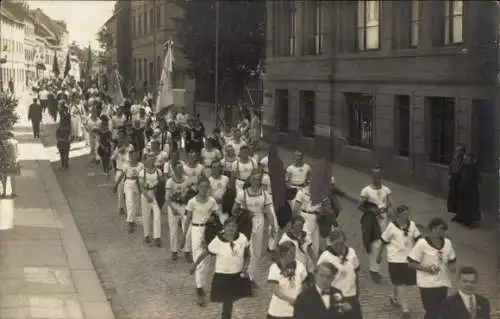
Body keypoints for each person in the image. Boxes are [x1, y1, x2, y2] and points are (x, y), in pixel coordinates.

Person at [190, 218, 252, 319]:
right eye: (228, 226)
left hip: (236, 275)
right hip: (223, 276)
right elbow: (205, 252)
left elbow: (247, 255)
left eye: (233, 226)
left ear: (236, 228)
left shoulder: (242, 238)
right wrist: (195, 265)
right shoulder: (218, 241)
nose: (231, 229)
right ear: (224, 228)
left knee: (230, 300)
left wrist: (245, 268)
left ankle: (227, 315)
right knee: (228, 300)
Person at [232, 172, 276, 291]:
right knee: (246, 250)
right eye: (254, 179)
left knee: (257, 252)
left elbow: (269, 212)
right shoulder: (243, 194)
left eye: (258, 179)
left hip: (260, 220)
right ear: (250, 180)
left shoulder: (265, 194)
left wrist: (272, 227)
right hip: (247, 222)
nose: (257, 181)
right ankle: (239, 276)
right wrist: (244, 212)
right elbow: (234, 211)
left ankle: (250, 277)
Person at [407, 217, 457, 319]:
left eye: (442, 229)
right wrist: (426, 269)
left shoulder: (447, 243)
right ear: (432, 229)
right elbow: (411, 263)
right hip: (427, 283)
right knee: (432, 310)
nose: (440, 232)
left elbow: (452, 260)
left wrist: (452, 268)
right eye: (437, 229)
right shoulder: (422, 243)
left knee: (440, 309)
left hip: (442, 282)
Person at [182, 176, 219, 306]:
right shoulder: (192, 202)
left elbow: (217, 216)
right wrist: (184, 235)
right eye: (201, 186)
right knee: (199, 257)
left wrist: (213, 221)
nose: (204, 189)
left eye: (206, 186)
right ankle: (199, 288)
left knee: (207, 260)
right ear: (197, 187)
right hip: (196, 230)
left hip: (208, 231)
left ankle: (201, 284)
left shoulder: (212, 201)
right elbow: (187, 219)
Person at [379, 205, 420, 318]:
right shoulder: (391, 227)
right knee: (400, 282)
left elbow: (419, 239)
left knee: (401, 282)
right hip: (395, 259)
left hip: (408, 259)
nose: (406, 216)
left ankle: (393, 297)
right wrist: (379, 255)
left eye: (408, 213)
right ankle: (405, 308)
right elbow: (383, 240)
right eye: (404, 214)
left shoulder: (412, 225)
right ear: (398, 215)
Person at [317, 230, 362, 319]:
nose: (339, 247)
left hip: (351, 295)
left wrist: (357, 290)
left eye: (341, 243)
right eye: (336, 244)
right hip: (335, 298)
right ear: (331, 243)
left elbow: (355, 271)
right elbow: (319, 278)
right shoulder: (326, 257)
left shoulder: (351, 252)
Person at [359, 166, 393, 283]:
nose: (376, 177)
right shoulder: (366, 191)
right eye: (374, 175)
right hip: (372, 222)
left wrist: (388, 210)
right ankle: (373, 270)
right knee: (374, 244)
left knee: (381, 244)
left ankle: (375, 268)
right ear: (372, 176)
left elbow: (390, 204)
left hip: (383, 220)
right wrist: (372, 210)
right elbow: (360, 206)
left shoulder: (386, 190)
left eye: (378, 175)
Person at [266, 241, 309, 319]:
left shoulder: (300, 266)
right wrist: (290, 300)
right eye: (291, 253)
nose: (294, 255)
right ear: (283, 254)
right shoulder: (274, 268)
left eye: (294, 252)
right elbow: (275, 290)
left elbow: (305, 285)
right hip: (278, 311)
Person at [163, 162, 190, 261]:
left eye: (181, 168)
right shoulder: (170, 181)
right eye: (177, 168)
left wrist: (185, 200)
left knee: (186, 228)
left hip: (184, 206)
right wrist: (173, 208)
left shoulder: (186, 179)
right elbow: (167, 197)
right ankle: (174, 251)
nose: (180, 170)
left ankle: (187, 251)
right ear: (173, 170)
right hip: (173, 206)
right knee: (173, 230)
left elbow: (188, 192)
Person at [114, 150, 144, 233]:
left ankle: (132, 219)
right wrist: (116, 185)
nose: (133, 158)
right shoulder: (126, 165)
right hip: (128, 184)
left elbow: (143, 175)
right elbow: (122, 176)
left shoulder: (141, 165)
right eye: (132, 156)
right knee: (129, 203)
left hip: (137, 184)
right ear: (130, 157)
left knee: (135, 203)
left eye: (135, 156)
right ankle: (130, 222)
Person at [139, 154, 163, 247]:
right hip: (146, 195)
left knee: (157, 214)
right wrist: (146, 195)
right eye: (149, 160)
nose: (151, 162)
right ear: (146, 161)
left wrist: (158, 187)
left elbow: (161, 182)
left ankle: (157, 237)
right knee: (146, 215)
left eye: (152, 160)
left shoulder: (158, 171)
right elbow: (141, 186)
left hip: (155, 195)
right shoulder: (142, 172)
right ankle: (146, 235)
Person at [454, 153, 481, 228]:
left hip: (471, 191)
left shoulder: (474, 168)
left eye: (466, 159)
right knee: (462, 205)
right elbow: (458, 175)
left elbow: (477, 179)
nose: (464, 161)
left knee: (470, 207)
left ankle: (470, 222)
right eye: (464, 159)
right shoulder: (463, 167)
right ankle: (461, 218)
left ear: (470, 160)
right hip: (462, 189)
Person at [447, 145, 466, 215]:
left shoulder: (464, 160)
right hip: (453, 178)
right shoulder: (455, 159)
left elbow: (462, 170)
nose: (457, 153)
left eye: (459, 151)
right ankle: (453, 209)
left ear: (462, 152)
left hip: (460, 179)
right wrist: (449, 174)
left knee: (458, 195)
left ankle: (459, 210)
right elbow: (451, 166)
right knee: (452, 194)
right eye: (457, 151)